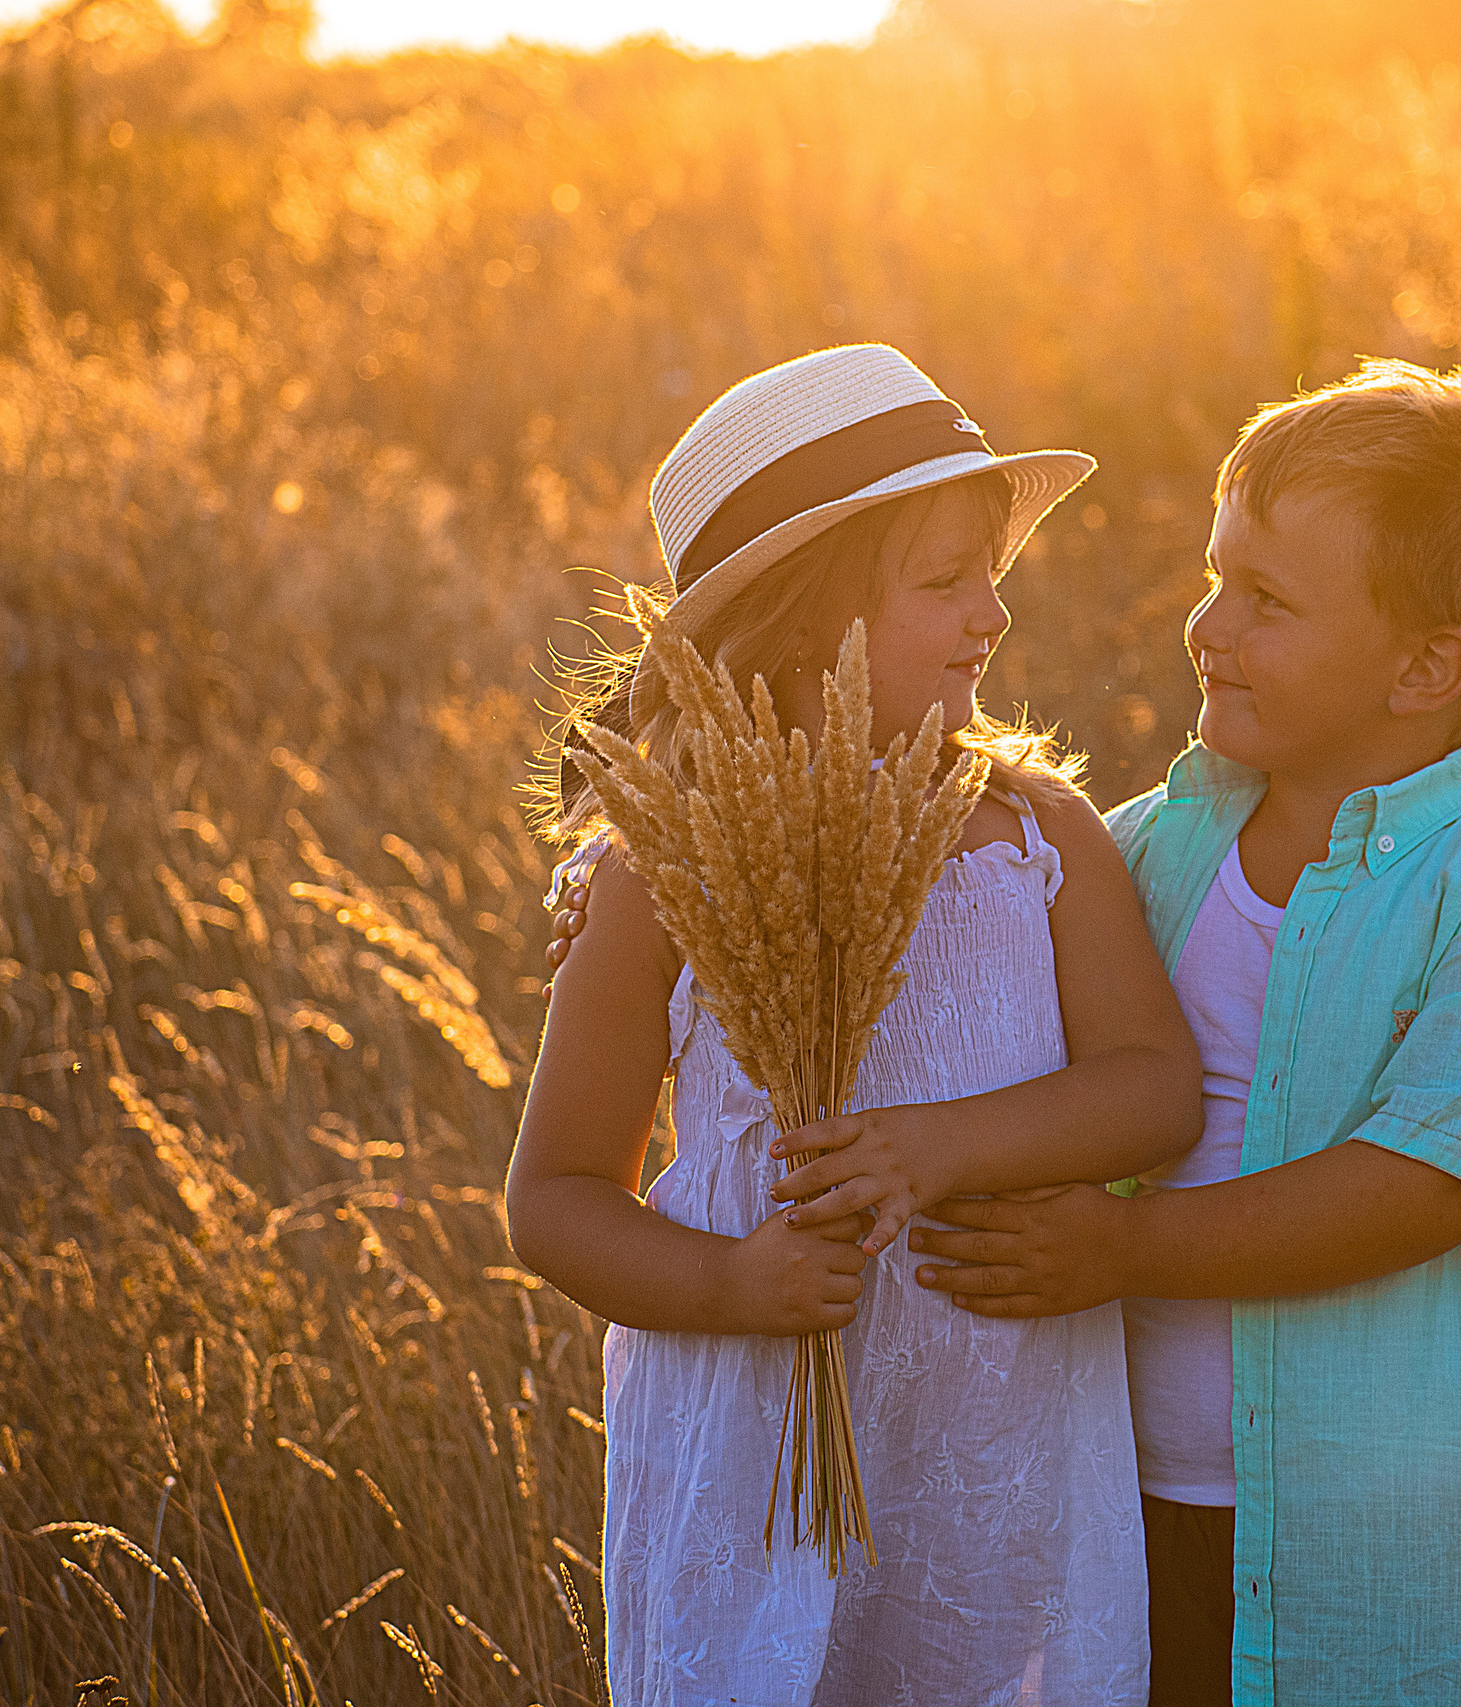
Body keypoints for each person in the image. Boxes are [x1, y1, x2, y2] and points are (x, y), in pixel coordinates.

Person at [906, 357, 1461, 1706]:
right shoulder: (1141, 854)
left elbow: (1419, 1189)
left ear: (1426, 667)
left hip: (1393, 1563)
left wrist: (1122, 1247)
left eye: (1267, 601)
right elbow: (957, 985)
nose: (1208, 629)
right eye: (1217, 577)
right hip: (1125, 1509)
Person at [508, 344, 1203, 1706]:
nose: (992, 615)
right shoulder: (664, 866)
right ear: (796, 621)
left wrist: (931, 1151)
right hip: (766, 1440)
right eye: (945, 580)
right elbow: (554, 1197)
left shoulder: (1034, 834)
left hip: (996, 1437)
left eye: (992, 575)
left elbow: (1153, 1090)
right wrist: (723, 1287)